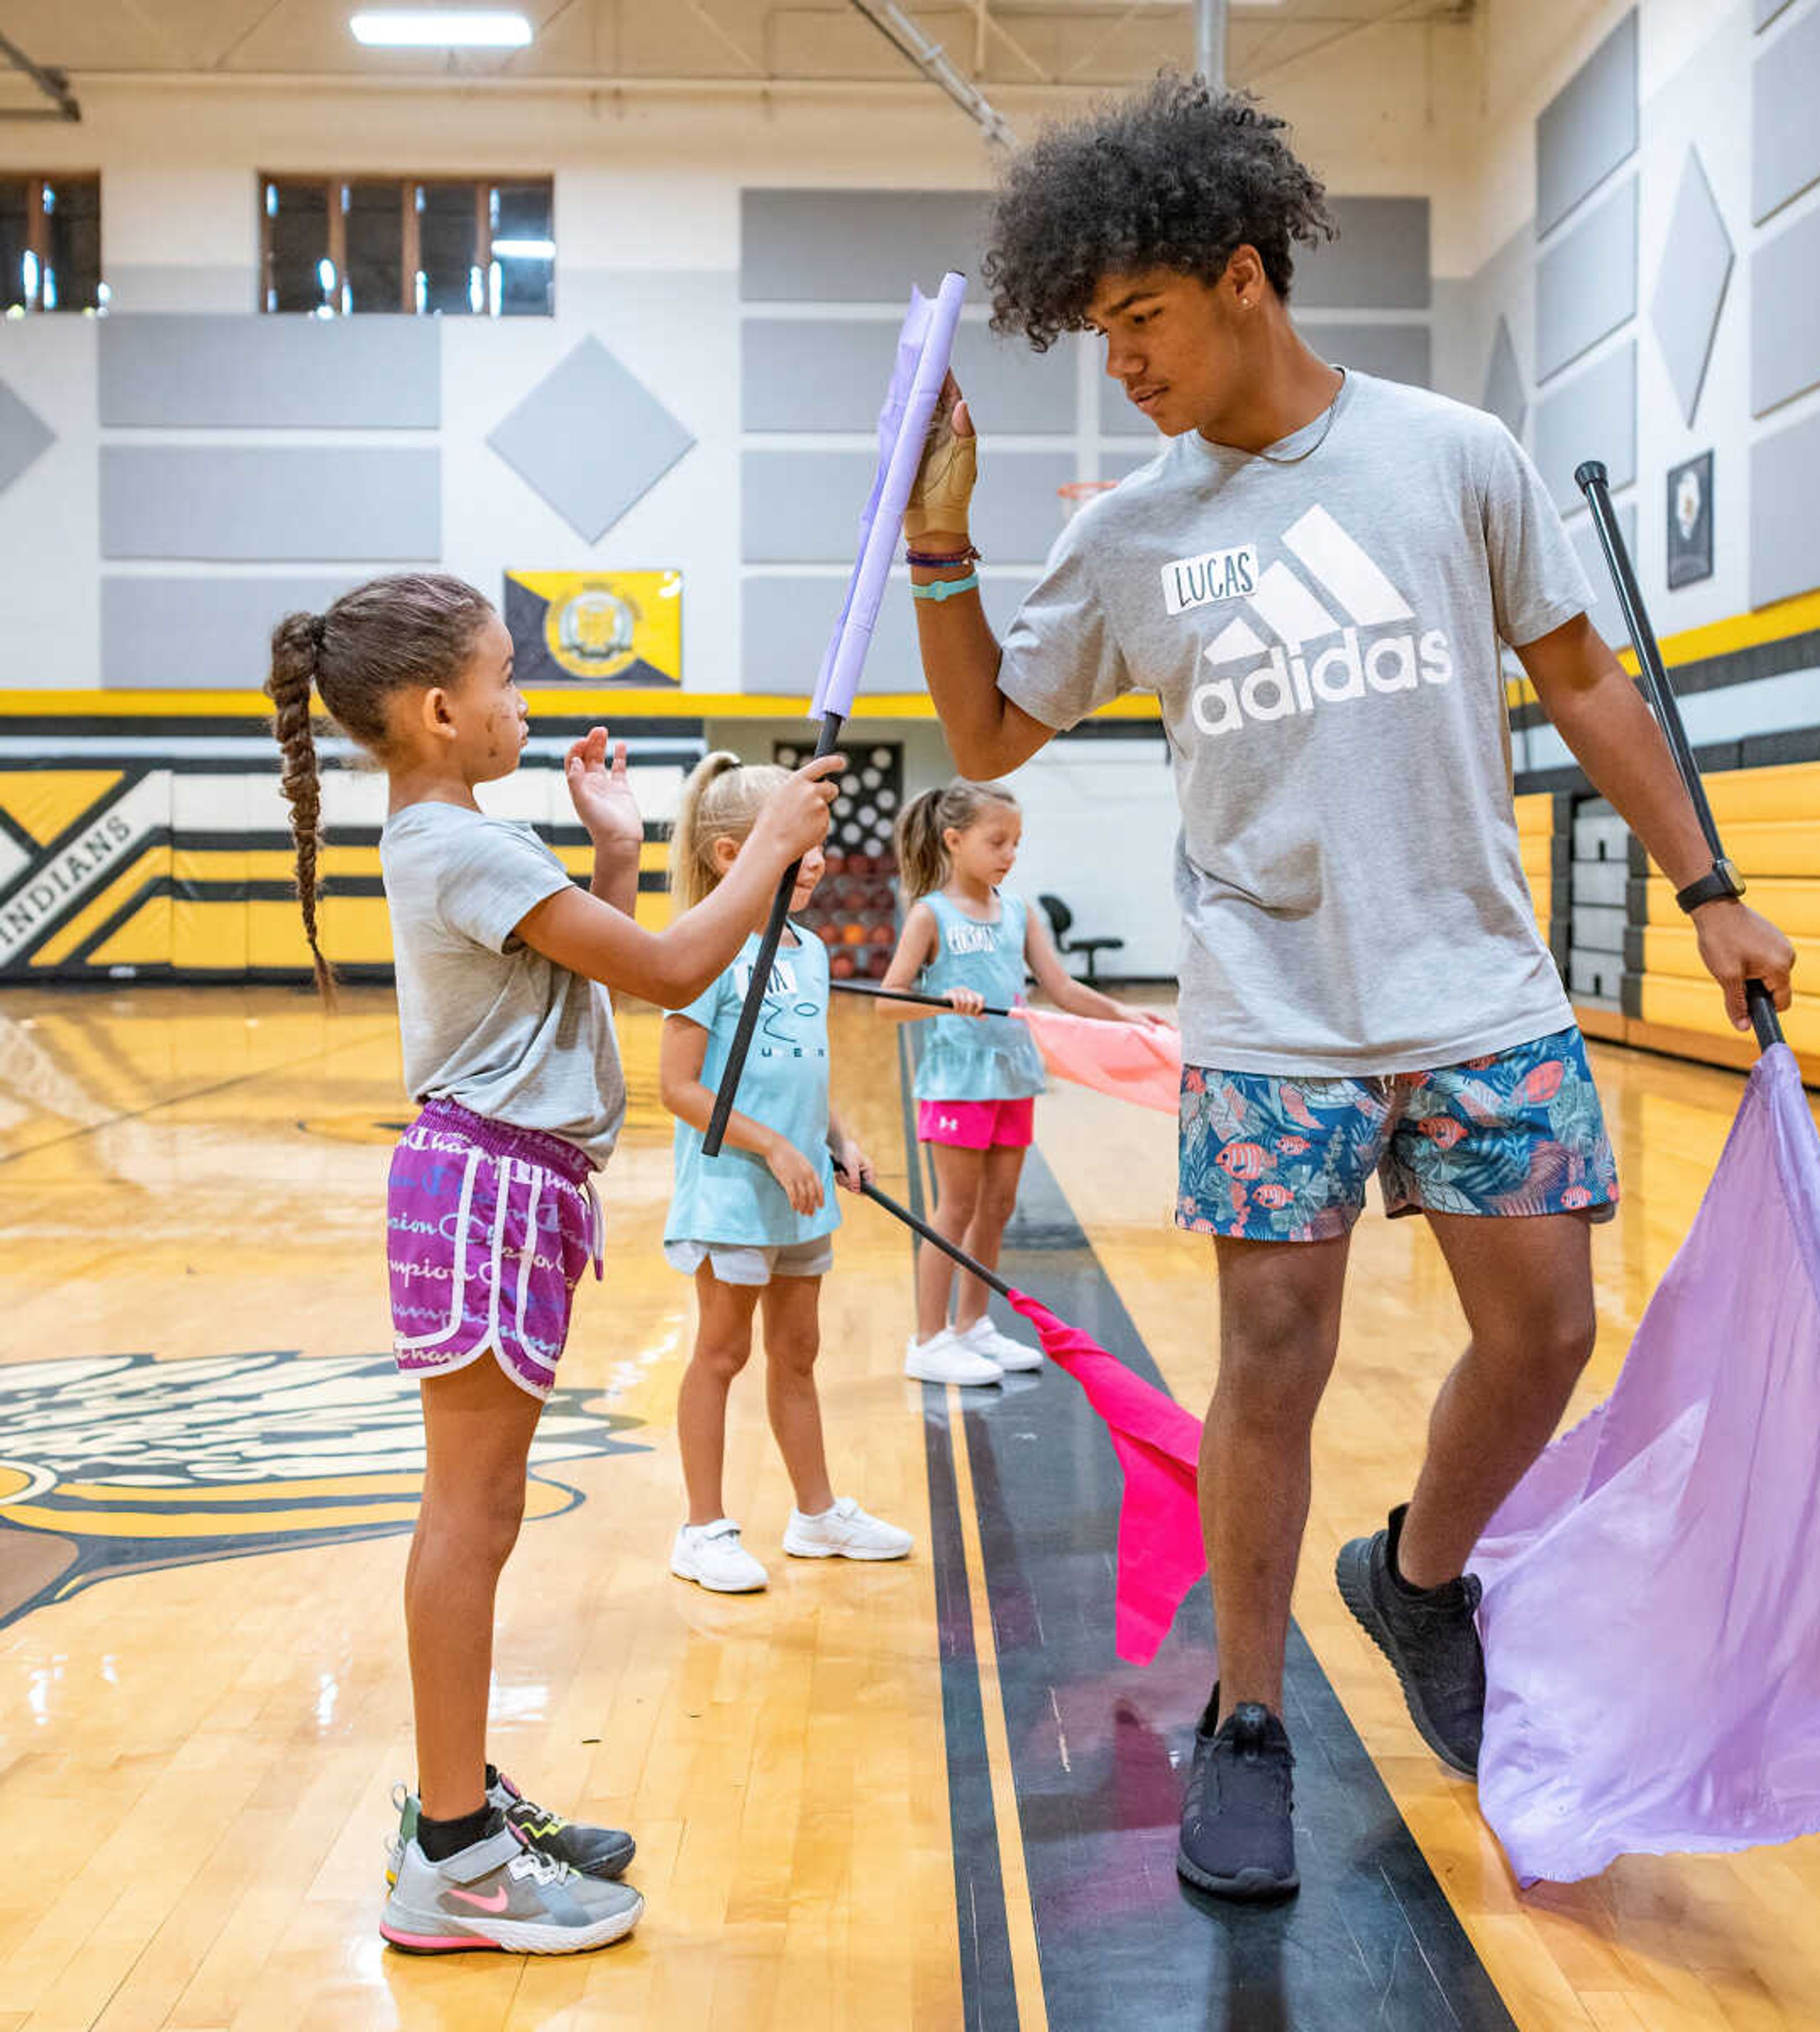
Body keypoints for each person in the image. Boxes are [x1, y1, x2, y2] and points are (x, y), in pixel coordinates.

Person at [899, 76, 1797, 1899]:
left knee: (1543, 1331)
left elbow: (1586, 683)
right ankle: (1244, 1721)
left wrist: (1709, 888)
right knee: (1269, 1365)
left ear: (1241, 277)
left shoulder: (1450, 453)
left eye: (1139, 320)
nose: (1122, 364)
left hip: (1474, 979)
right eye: (1096, 334)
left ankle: (1416, 1578)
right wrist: (939, 546)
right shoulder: (1129, 530)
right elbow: (988, 726)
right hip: (1268, 1006)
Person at [266, 574, 840, 1951]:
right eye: (507, 675)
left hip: (506, 1190)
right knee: (468, 1515)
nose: (525, 698)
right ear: (440, 709)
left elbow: (590, 960)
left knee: (490, 1506)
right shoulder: (453, 843)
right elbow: (660, 971)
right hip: (482, 1192)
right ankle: (453, 1859)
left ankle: (461, 1809)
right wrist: (758, 849)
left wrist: (623, 850)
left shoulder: (463, 830)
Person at [659, 754, 913, 1593]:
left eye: (819, 844)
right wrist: (772, 1143)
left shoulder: (806, 949)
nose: (818, 860)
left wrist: (837, 1135)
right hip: (734, 1188)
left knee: (796, 1352)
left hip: (799, 1187)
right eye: (798, 844)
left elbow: (803, 1066)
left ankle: (816, 1513)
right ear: (733, 855)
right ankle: (702, 1528)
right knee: (722, 1352)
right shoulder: (703, 951)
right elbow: (680, 1088)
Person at [876, 778, 1163, 1385]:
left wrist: (1126, 1015)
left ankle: (972, 1325)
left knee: (999, 1207)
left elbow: (1062, 989)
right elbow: (888, 1002)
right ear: (954, 841)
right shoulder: (931, 914)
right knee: (953, 1209)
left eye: (1017, 844)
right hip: (957, 1082)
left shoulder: (1019, 912)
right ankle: (928, 1339)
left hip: (1013, 1077)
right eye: (997, 841)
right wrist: (941, 1001)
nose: (1010, 855)